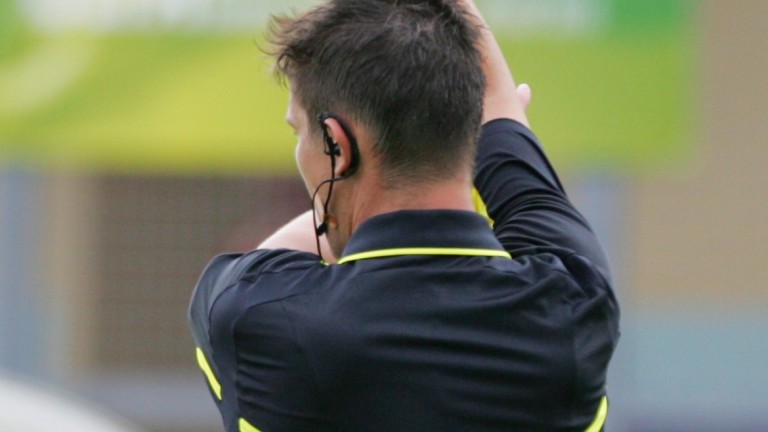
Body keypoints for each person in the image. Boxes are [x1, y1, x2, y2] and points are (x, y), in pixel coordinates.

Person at [188, 0, 620, 431]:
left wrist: (498, 131)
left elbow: (267, 266)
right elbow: (516, 152)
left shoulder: (255, 316)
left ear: (338, 147)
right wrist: (496, 133)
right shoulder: (573, 308)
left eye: (299, 131)